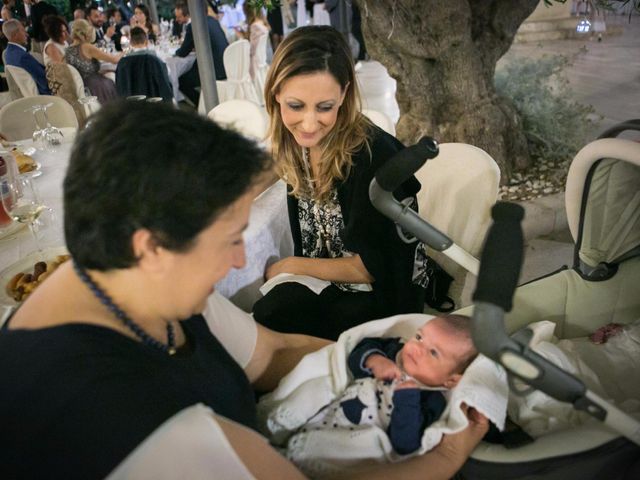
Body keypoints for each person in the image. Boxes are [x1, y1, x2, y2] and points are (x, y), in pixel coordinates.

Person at [0, 100, 488, 480]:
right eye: (230, 240)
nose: (240, 260)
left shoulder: (125, 280)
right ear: (151, 246)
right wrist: (445, 456)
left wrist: (379, 359)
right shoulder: (125, 424)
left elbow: (270, 352)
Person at [253, 26, 430, 340]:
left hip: (384, 297)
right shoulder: (298, 143)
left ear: (344, 94)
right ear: (276, 93)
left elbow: (368, 268)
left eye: (324, 107)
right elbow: (268, 169)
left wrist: (293, 265)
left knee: (269, 317)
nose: (308, 123)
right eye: (296, 106)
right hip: (328, 284)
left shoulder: (373, 157)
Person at [283, 314, 478, 475]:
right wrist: (374, 360)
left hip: (355, 438)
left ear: (451, 380)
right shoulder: (393, 352)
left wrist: (407, 400)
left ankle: (308, 459)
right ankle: (284, 420)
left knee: (366, 446)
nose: (417, 348)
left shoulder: (432, 401)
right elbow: (357, 351)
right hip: (329, 410)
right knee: (318, 388)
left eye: (433, 353)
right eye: (419, 337)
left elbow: (405, 444)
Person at [174, 0, 227, 105]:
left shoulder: (194, 26)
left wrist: (175, 51)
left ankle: (201, 105)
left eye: (179, 17)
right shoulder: (213, 21)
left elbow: (183, 53)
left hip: (214, 71)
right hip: (226, 65)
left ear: (189, 14)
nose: (177, 20)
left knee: (181, 81)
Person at [64, 18, 121, 104]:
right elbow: (114, 60)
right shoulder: (86, 46)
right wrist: (124, 52)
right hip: (95, 87)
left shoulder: (67, 50)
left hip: (79, 88)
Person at [116, 26, 173, 102]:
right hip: (156, 102)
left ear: (131, 43)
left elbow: (120, 86)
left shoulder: (123, 63)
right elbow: (166, 76)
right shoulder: (155, 59)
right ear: (146, 41)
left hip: (132, 105)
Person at [2, 18, 50, 94]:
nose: (26, 34)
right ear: (15, 35)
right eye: (23, 30)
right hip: (44, 96)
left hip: (28, 94)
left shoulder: (7, 54)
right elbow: (44, 82)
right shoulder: (22, 57)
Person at [238, 1, 270, 82]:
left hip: (254, 64)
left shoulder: (255, 27)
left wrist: (241, 37)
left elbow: (251, 50)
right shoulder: (262, 23)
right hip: (261, 60)